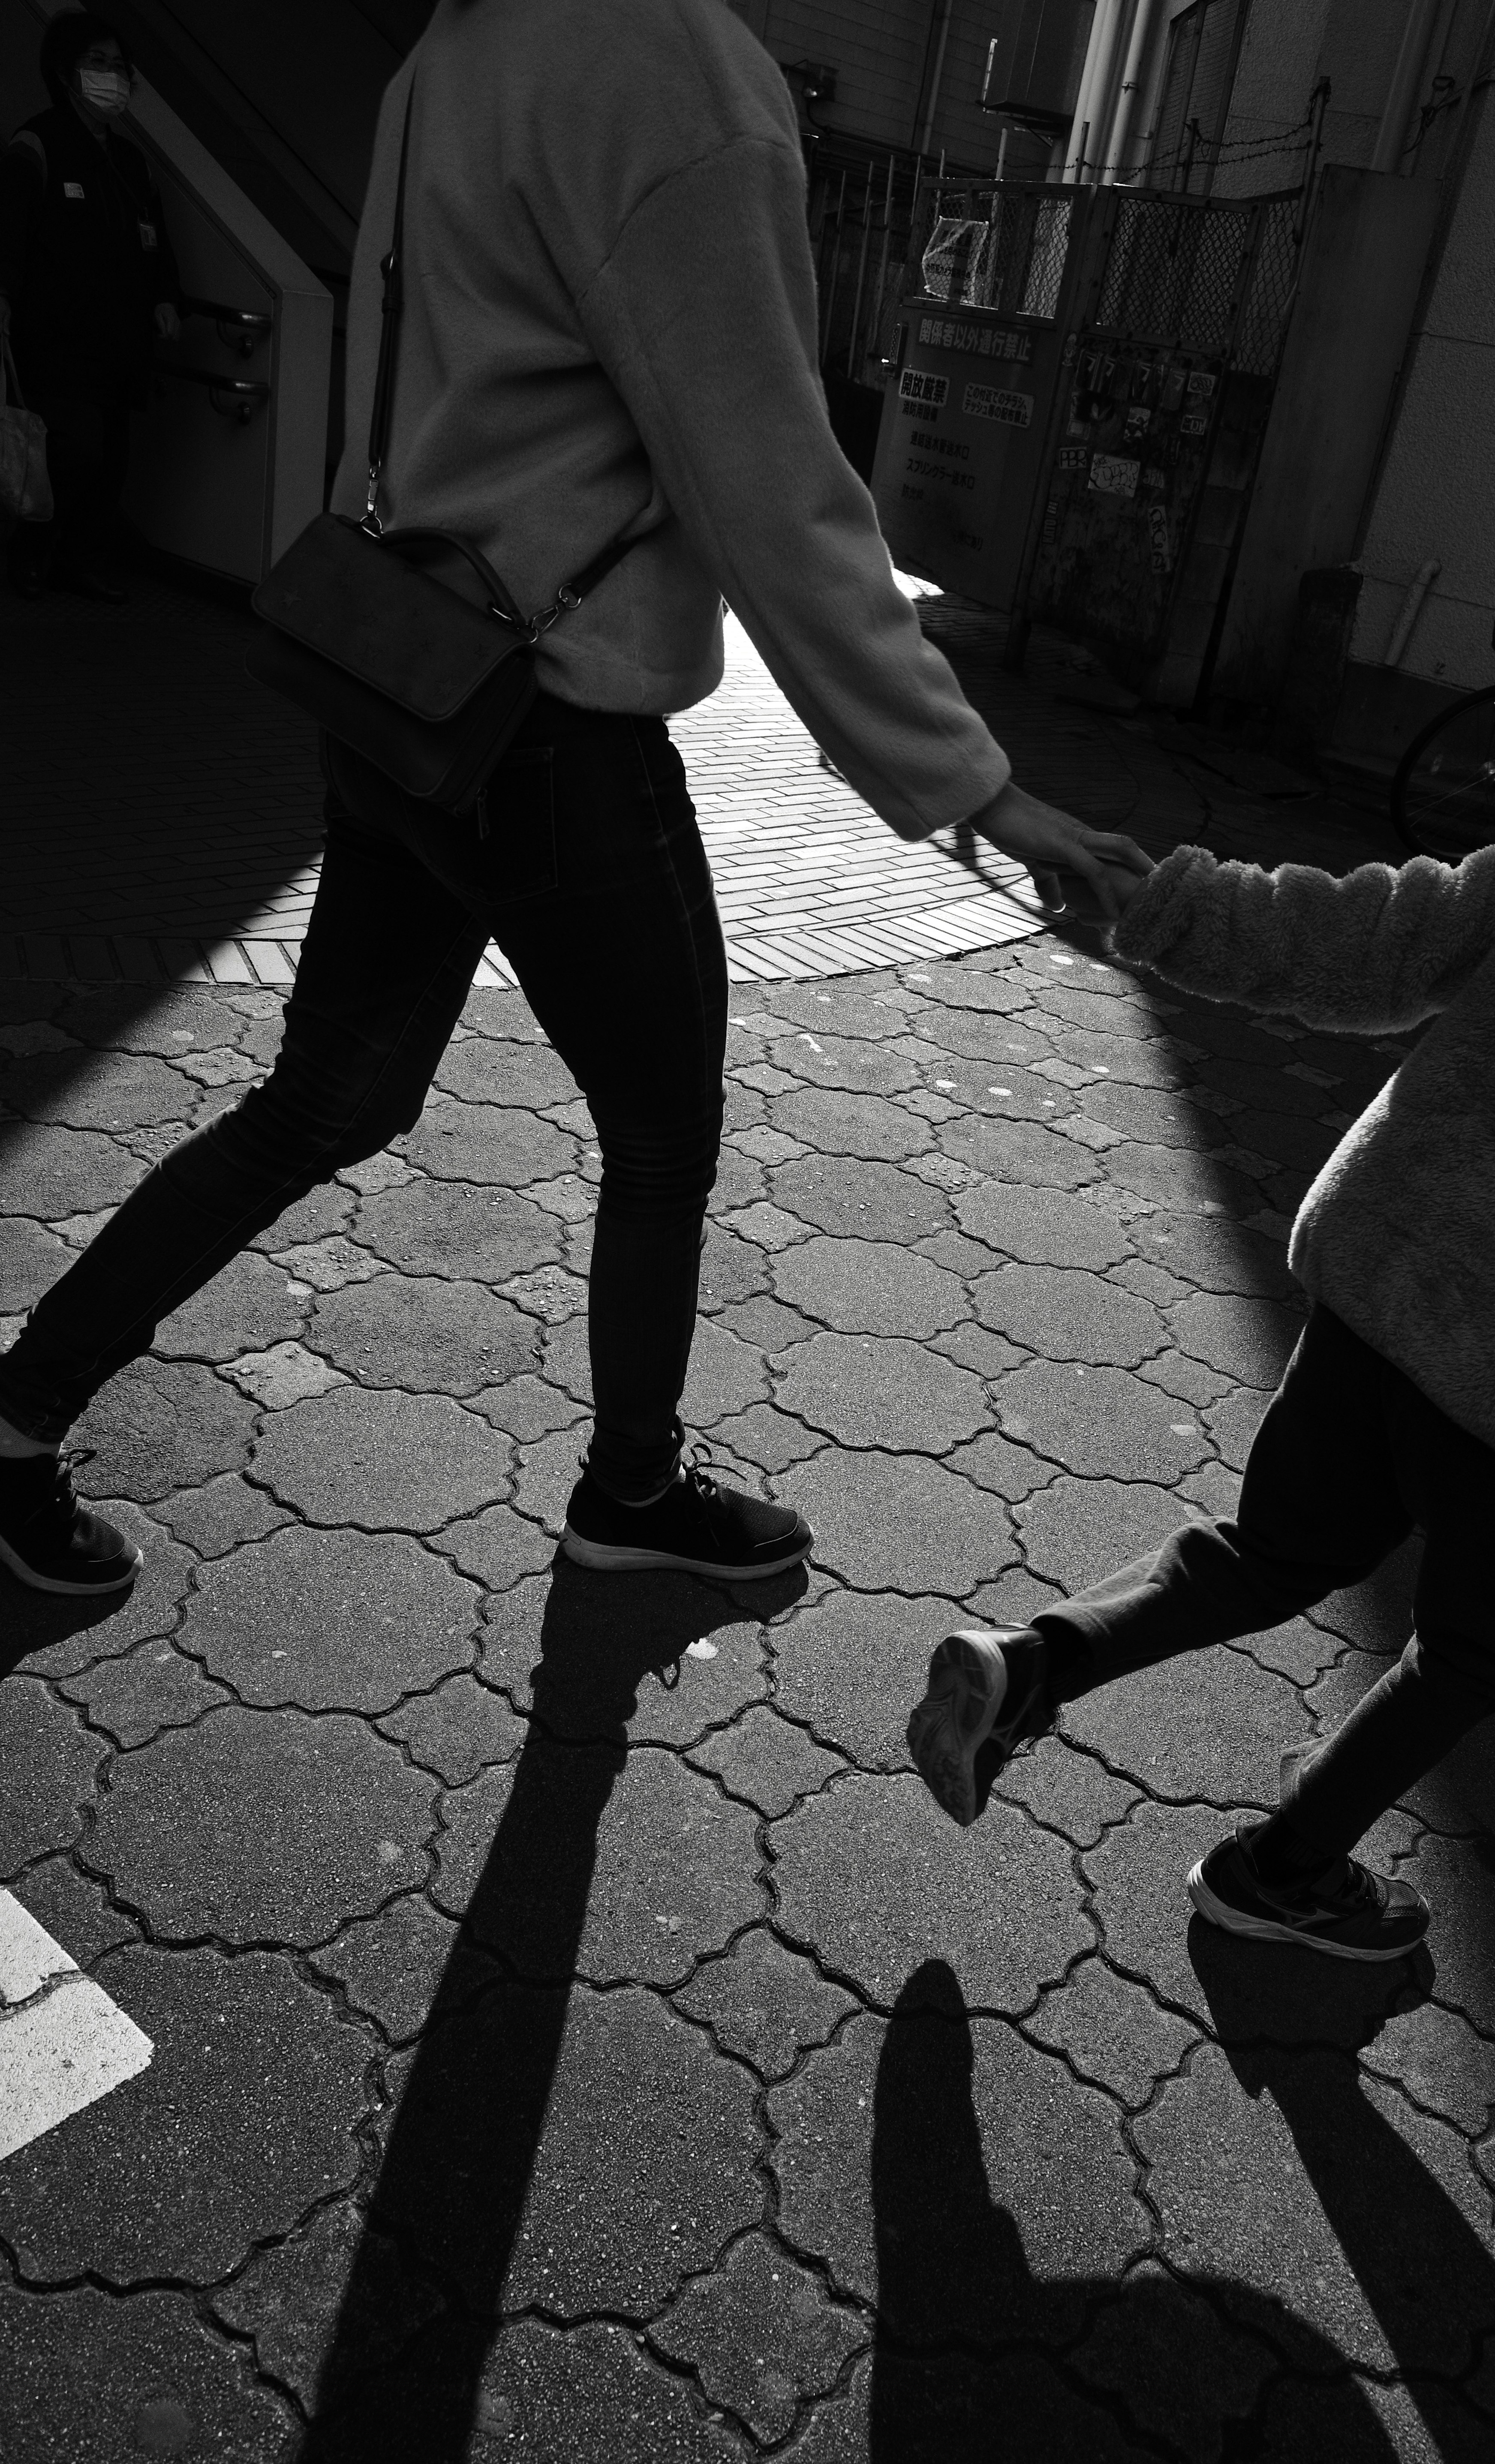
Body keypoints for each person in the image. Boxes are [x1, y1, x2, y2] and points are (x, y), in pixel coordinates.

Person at [0, 0, 1151, 1598]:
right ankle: (632, 1495)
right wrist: (974, 787)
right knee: (664, 1135)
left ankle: (17, 1415)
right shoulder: (669, 66)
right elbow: (767, 468)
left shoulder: (451, 52)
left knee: (322, 1104)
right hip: (550, 726)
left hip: (404, 681)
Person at [907, 808, 1495, 1961]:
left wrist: (1170, 904)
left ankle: (1033, 1662)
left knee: (1274, 1550)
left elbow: (1380, 934)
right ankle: (1284, 1871)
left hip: (1392, 1267)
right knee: (1473, 1653)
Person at [0, 10, 180, 603]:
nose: (113, 78)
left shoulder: (131, 163)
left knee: (110, 463)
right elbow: (10, 235)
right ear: (65, 73)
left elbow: (156, 244)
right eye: (98, 65)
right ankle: (31, 555)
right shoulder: (38, 144)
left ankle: (79, 561)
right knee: (69, 450)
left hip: (121, 343)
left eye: (120, 67)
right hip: (53, 340)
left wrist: (164, 300)